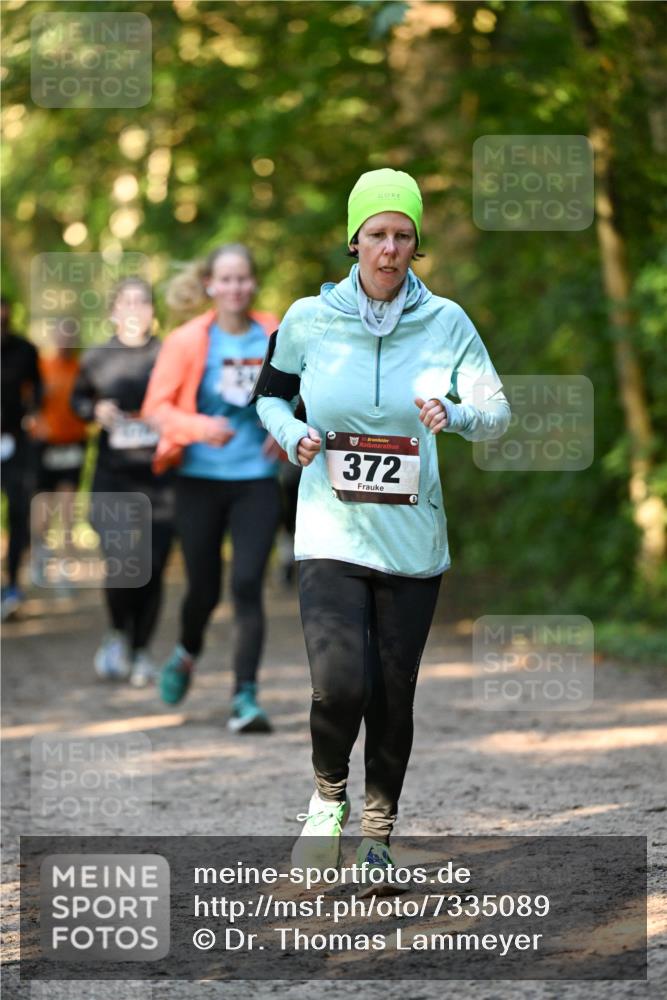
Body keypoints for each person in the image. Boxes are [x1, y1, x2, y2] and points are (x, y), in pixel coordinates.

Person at [254, 168, 511, 874]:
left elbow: (496, 412)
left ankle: (376, 839)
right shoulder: (307, 318)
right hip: (330, 532)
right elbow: (269, 398)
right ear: (353, 240)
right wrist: (292, 433)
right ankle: (326, 802)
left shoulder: (447, 322)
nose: (390, 249)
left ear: (415, 243)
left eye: (403, 236)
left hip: (411, 542)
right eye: (377, 235)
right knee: (340, 682)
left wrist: (453, 415)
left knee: (393, 691)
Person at [141, 244, 281, 733]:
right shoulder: (186, 341)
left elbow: (312, 387)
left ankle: (245, 696)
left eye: (243, 278)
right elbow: (156, 410)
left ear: (253, 283)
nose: (235, 287)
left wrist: (290, 431)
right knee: (203, 587)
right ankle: (186, 652)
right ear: (210, 286)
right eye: (226, 279)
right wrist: (199, 427)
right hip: (199, 479)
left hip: (256, 482)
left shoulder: (276, 332)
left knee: (246, 584)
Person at [71, 278, 174, 687]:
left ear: (152, 310)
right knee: (120, 563)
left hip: (162, 477)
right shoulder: (97, 356)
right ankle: (117, 632)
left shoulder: (168, 354)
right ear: (114, 311)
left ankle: (141, 650)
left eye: (142, 302)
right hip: (112, 477)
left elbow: (189, 400)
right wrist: (95, 409)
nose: (135, 309)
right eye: (126, 302)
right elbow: (76, 401)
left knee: (153, 566)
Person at [29, 319, 88, 586]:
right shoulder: (41, 366)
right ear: (53, 336)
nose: (65, 341)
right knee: (42, 510)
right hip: (45, 445)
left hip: (74, 444)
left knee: (66, 510)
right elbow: (24, 401)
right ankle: (40, 554)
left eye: (70, 336)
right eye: (60, 335)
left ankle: (65, 567)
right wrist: (34, 423)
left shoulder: (83, 368)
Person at [1, 297, 42, 620]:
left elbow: (38, 389)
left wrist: (32, 415)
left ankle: (13, 583)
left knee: (19, 511)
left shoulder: (25, 350)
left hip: (15, 442)